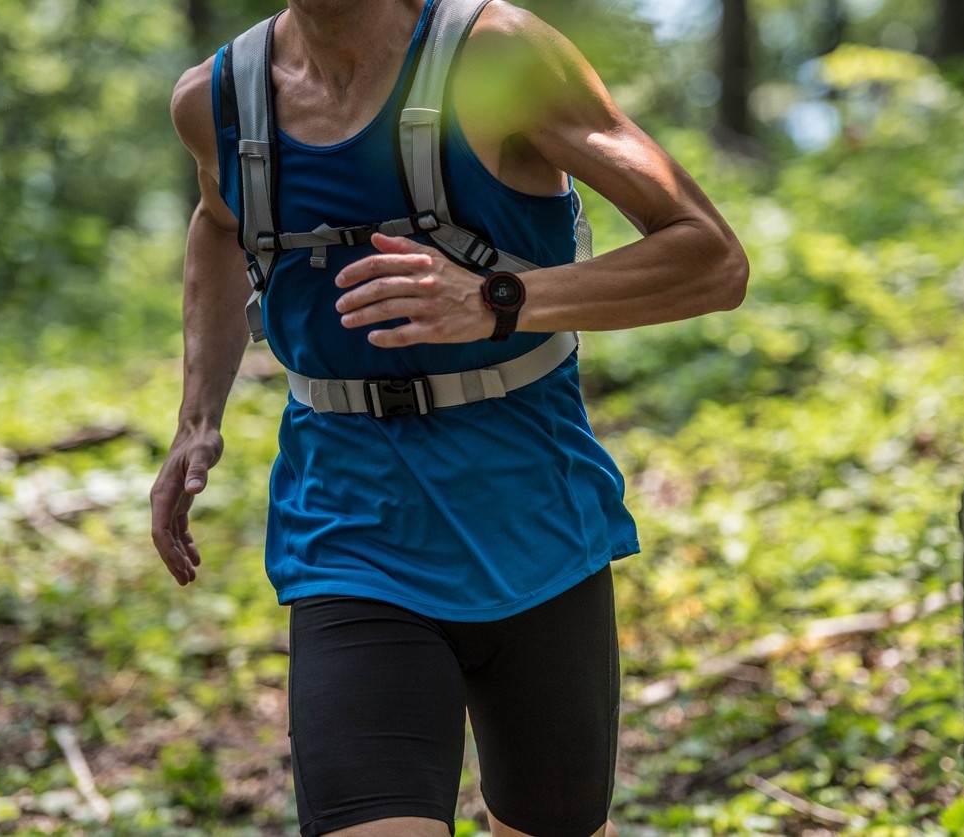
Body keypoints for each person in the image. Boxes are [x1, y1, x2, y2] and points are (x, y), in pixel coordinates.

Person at [150, 1, 747, 835]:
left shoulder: (497, 56)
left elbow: (711, 258)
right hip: (349, 527)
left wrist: (497, 297)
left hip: (533, 521)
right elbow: (219, 223)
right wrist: (196, 417)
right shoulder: (218, 99)